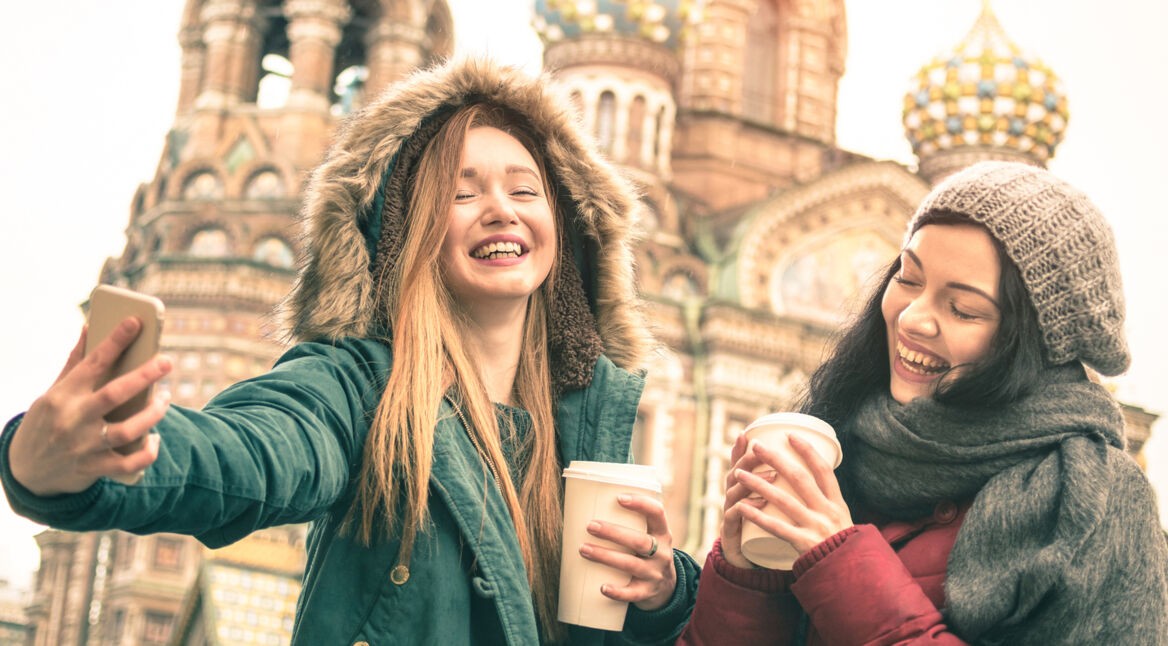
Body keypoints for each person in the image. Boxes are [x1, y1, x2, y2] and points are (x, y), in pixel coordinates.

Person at [1, 59, 699, 645]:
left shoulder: (585, 419)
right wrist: (63, 460)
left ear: (565, 228)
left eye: (525, 190)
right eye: (460, 192)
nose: (501, 208)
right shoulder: (363, 390)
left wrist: (664, 588)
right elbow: (251, 451)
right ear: (405, 233)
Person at [678, 161, 1168, 645]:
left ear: (1034, 345)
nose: (913, 319)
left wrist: (838, 562)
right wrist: (744, 576)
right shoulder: (843, 437)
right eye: (908, 279)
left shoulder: (1093, 496)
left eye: (963, 309)